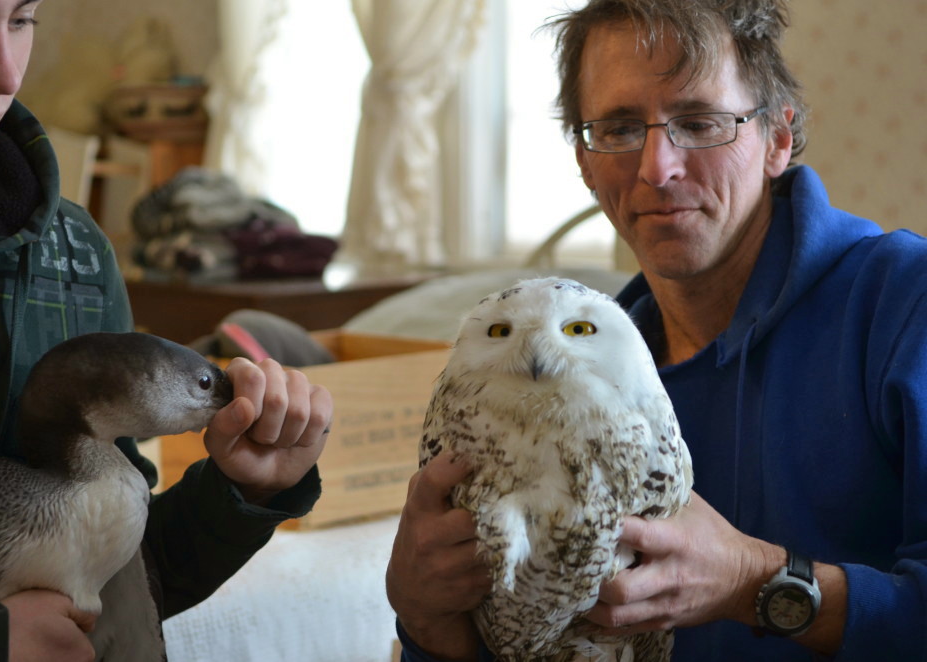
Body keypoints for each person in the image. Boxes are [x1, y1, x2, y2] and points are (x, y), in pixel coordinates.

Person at [386, 1, 927, 660]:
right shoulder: (556, 365)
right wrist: (425, 620)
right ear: (585, 162)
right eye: (616, 128)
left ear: (778, 139)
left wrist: (755, 583)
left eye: (699, 122)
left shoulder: (903, 304)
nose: (657, 169)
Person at [0, 0, 332, 659]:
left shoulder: (74, 257)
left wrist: (242, 492)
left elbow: (120, 580)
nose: (3, 74)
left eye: (24, 19)